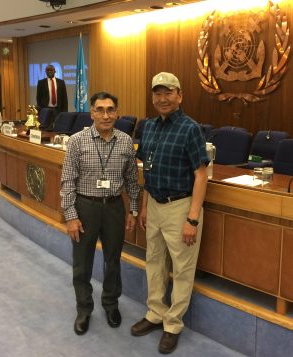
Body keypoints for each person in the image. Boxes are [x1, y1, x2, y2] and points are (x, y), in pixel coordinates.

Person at [131, 72, 209, 354]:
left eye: (168, 93)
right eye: (157, 94)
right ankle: (155, 313)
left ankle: (173, 324)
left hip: (180, 208)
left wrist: (192, 218)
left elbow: (201, 175)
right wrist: (143, 206)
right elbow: (148, 169)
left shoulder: (190, 129)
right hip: (154, 205)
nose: (162, 99)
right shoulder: (149, 127)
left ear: (180, 95)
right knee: (154, 262)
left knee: (182, 269)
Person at [61, 91, 140, 335]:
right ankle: (84, 309)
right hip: (85, 207)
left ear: (117, 113)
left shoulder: (126, 141)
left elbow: (132, 181)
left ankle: (110, 304)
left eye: (110, 110)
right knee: (82, 263)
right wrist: (71, 216)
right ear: (92, 112)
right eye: (100, 110)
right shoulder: (77, 141)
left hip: (115, 207)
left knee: (112, 261)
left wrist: (134, 209)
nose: (105, 115)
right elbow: (67, 182)